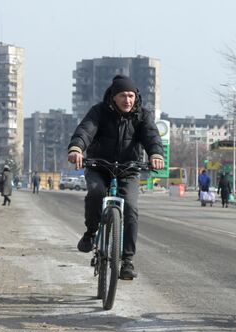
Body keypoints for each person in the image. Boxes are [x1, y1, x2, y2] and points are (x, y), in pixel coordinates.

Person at [67, 75, 164, 280]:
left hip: (128, 169)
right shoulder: (99, 112)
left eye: (130, 96)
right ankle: (91, 232)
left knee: (130, 206)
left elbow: (151, 135)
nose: (127, 100)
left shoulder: (142, 116)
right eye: (122, 95)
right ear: (113, 97)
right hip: (99, 165)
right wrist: (77, 148)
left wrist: (156, 154)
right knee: (96, 193)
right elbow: (85, 130)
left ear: (136, 97)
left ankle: (127, 260)